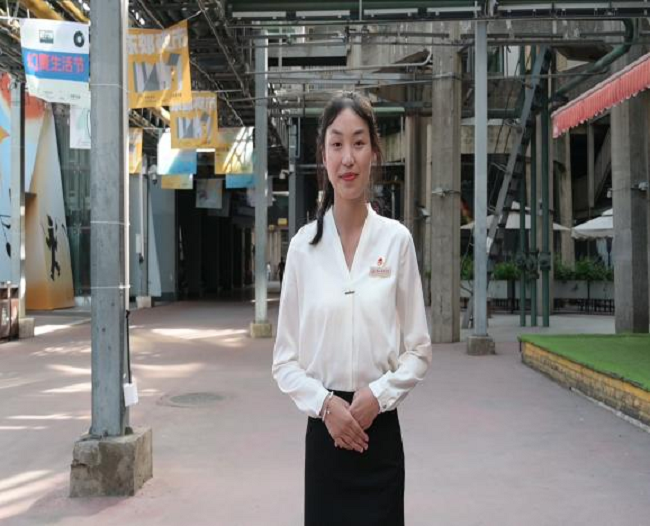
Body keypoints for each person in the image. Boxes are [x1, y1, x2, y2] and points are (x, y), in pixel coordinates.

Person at [272, 91, 432, 526]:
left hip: (380, 431)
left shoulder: (396, 241)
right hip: (326, 434)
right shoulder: (303, 248)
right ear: (323, 156)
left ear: (374, 153)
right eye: (337, 144)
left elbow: (419, 350)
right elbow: (284, 361)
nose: (348, 158)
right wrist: (326, 405)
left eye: (358, 143)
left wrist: (378, 396)